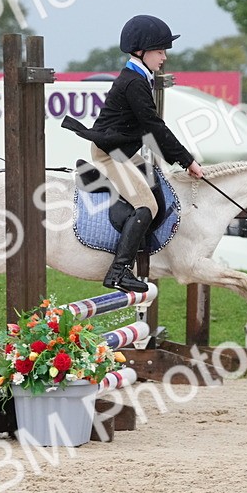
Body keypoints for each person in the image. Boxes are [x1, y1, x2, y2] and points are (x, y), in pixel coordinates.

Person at [62, 15, 205, 292]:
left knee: (156, 189)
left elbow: (149, 129)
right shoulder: (134, 82)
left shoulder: (139, 77)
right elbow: (154, 126)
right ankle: (118, 271)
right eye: (160, 51)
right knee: (147, 206)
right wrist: (188, 160)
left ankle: (140, 253)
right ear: (142, 50)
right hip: (110, 155)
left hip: (123, 152)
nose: (164, 57)